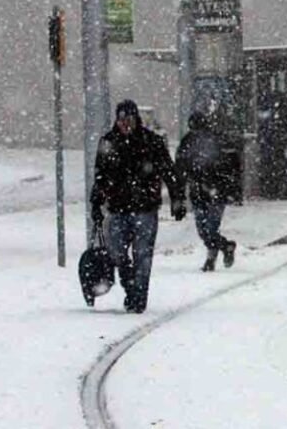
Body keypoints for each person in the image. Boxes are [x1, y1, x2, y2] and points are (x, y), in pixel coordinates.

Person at [90, 99, 187, 313]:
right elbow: (100, 176)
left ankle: (139, 295)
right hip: (117, 208)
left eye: (129, 119)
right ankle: (130, 284)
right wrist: (96, 203)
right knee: (117, 253)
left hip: (145, 208)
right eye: (122, 119)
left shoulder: (151, 142)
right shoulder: (108, 142)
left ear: (136, 119)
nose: (125, 124)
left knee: (143, 255)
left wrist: (177, 198)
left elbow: (168, 171)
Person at [175, 111, 238, 272]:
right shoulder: (190, 142)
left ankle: (212, 258)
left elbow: (230, 164)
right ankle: (225, 247)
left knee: (209, 228)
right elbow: (180, 167)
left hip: (215, 190)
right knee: (204, 230)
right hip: (202, 191)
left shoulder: (214, 141)